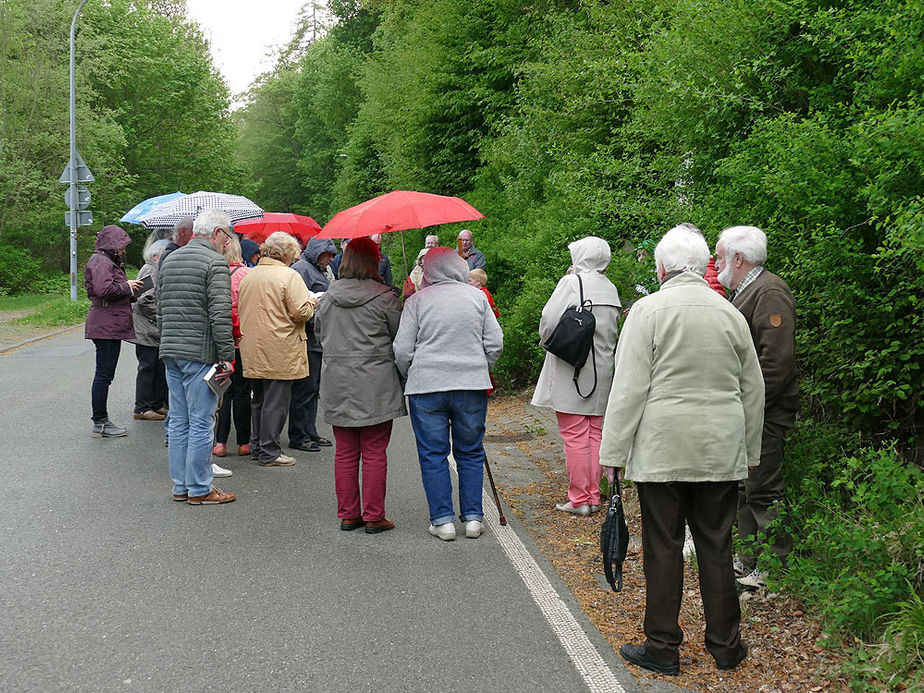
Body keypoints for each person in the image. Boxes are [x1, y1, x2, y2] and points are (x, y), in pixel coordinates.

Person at [599, 224, 765, 676]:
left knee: (663, 547)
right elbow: (752, 389)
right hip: (720, 448)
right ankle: (727, 646)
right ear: (703, 265)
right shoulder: (729, 313)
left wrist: (612, 451)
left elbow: (629, 387)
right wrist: (750, 450)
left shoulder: (649, 312)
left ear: (661, 268)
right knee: (716, 543)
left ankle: (663, 647)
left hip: (662, 450)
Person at [394, 247, 504, 541]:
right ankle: (473, 518)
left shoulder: (416, 301)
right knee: (470, 452)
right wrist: (481, 367)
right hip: (471, 385)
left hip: (427, 385)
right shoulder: (477, 297)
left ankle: (442, 520)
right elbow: (495, 343)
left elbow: (402, 349)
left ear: (428, 271)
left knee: (433, 454)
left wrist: (411, 373)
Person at [715, 225, 798, 589]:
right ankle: (748, 561)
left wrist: (751, 405)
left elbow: (777, 361)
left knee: (764, 487)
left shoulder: (770, 292)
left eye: (719, 256)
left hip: (763, 412)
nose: (715, 263)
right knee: (745, 487)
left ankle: (774, 568)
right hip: (747, 410)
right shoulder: (748, 291)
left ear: (737, 258)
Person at [314, 238, 406, 534]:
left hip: (337, 380)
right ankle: (374, 515)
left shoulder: (327, 298)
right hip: (376, 381)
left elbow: (319, 335)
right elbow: (400, 338)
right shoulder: (385, 298)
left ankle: (349, 514)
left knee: (345, 450)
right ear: (373, 261)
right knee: (375, 450)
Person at [531, 237, 622, 515]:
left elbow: (548, 320)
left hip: (573, 367)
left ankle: (580, 499)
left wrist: (548, 341)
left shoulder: (571, 283)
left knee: (574, 434)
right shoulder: (610, 287)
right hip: (602, 370)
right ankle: (594, 496)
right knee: (595, 433)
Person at [157, 209, 237, 505]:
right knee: (202, 422)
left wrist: (166, 343)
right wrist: (227, 357)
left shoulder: (170, 259)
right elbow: (219, 315)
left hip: (171, 352)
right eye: (227, 236)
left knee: (178, 420)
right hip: (200, 354)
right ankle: (201, 488)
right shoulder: (214, 262)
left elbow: (160, 311)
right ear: (216, 233)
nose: (227, 243)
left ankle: (181, 486)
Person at [239, 232, 317, 467]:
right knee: (277, 402)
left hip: (253, 345)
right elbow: (301, 313)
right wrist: (312, 303)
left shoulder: (250, 276)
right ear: (287, 254)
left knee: (259, 400)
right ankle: (270, 451)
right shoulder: (289, 275)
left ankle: (257, 445)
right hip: (280, 345)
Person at [85, 225, 143, 437]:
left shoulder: (105, 260)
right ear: (112, 243)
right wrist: (127, 287)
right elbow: (104, 290)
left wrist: (132, 291)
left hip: (107, 323)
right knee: (104, 375)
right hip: (106, 325)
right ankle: (100, 421)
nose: (123, 250)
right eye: (121, 245)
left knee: (104, 374)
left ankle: (100, 421)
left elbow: (107, 291)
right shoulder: (101, 262)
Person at [289, 237, 337, 452]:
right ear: (317, 252)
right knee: (304, 388)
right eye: (327, 254)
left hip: (318, 338)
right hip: (307, 337)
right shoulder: (302, 269)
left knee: (314, 388)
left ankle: (310, 430)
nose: (331, 259)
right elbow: (298, 304)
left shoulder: (318, 269)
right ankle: (298, 434)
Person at [213, 235, 252, 460]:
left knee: (223, 393)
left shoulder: (215, 274)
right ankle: (244, 442)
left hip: (220, 339)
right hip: (242, 339)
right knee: (242, 392)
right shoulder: (247, 275)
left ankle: (220, 442)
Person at [129, 238, 169, 421]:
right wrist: (161, 316)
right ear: (155, 256)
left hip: (152, 330)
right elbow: (144, 300)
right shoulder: (150, 270)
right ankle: (142, 407)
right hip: (147, 330)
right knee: (147, 367)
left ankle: (156, 404)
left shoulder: (155, 269)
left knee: (157, 367)